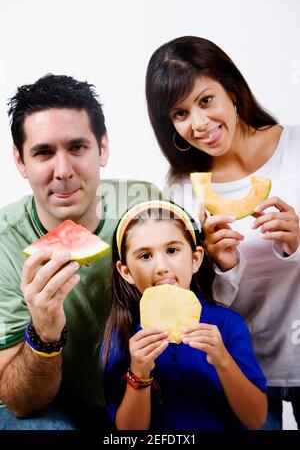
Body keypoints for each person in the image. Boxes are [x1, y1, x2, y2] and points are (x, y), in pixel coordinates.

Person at [145, 36, 300, 430]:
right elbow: (196, 300)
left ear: (232, 89)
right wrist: (219, 268)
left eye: (205, 100)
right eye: (180, 114)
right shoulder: (181, 189)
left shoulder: (296, 149)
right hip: (238, 367)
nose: (198, 124)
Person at [0, 74, 159, 430]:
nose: (63, 171)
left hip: (141, 393)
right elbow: (19, 402)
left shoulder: (145, 203)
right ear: (20, 161)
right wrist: (43, 331)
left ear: (102, 147)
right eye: (43, 153)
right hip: (55, 406)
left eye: (77, 147)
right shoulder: (3, 244)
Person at [101, 199, 267, 430]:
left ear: (195, 259)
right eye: (145, 256)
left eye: (172, 250)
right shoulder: (121, 338)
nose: (161, 266)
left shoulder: (228, 325)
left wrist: (222, 359)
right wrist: (139, 371)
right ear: (126, 272)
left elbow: (256, 419)